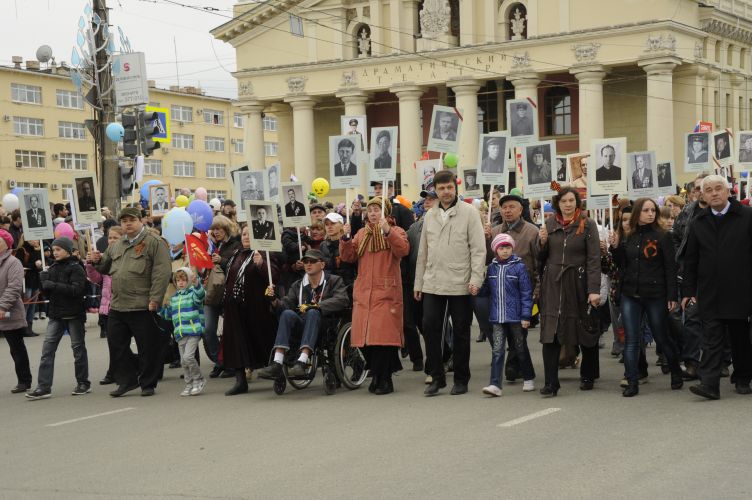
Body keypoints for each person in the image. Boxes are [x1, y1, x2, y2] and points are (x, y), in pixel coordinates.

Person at [415, 170, 486, 396]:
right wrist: (418, 283)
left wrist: (476, 278)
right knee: (430, 327)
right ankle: (437, 377)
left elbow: (478, 249)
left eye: (449, 188)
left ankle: (462, 378)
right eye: (441, 188)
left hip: (461, 281)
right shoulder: (429, 215)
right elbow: (423, 252)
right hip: (433, 281)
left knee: (461, 330)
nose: (446, 192)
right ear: (435, 189)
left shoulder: (469, 212)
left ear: (455, 188)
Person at [88, 207, 172, 397]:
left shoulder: (154, 243)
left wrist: (155, 299)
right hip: (118, 304)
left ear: (141, 221)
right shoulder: (117, 245)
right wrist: (96, 260)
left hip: (142, 303)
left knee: (146, 347)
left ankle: (148, 383)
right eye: (124, 220)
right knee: (116, 345)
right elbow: (105, 267)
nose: (127, 223)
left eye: (131, 220)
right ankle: (127, 380)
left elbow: (162, 272)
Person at [682, 175, 752, 399]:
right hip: (710, 291)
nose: (714, 193)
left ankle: (742, 377)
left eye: (718, 188)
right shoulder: (698, 222)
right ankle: (709, 384)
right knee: (711, 339)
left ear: (728, 190)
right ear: (702, 195)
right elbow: (691, 261)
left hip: (741, 290)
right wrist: (688, 291)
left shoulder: (747, 216)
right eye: (708, 190)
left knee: (740, 339)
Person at [609, 198, 683, 397]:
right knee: (632, 339)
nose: (650, 213)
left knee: (661, 337)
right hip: (630, 294)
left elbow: (670, 267)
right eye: (646, 210)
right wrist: (615, 247)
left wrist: (671, 295)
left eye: (653, 210)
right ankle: (632, 381)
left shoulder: (663, 236)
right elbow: (621, 264)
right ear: (637, 214)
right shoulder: (628, 235)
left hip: (655, 294)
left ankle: (676, 370)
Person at [341, 197, 410, 394]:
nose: (372, 213)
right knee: (364, 340)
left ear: (385, 212)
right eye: (370, 209)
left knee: (383, 340)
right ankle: (377, 373)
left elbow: (403, 250)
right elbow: (349, 257)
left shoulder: (396, 231)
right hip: (364, 291)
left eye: (376, 209)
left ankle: (384, 378)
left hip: (386, 290)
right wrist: (345, 239)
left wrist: (387, 231)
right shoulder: (362, 233)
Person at [538, 187, 601, 396]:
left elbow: (593, 259)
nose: (567, 204)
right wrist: (542, 242)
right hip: (554, 283)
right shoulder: (549, 224)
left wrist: (593, 289)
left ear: (577, 202)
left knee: (583, 327)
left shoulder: (588, 224)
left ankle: (588, 374)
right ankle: (550, 382)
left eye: (571, 200)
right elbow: (541, 257)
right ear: (558, 203)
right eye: (563, 200)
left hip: (578, 281)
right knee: (551, 330)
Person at [257, 249, 350, 380]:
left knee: (312, 312)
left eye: (312, 261)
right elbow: (286, 304)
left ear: (322, 265)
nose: (308, 264)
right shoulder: (298, 284)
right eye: (305, 261)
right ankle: (277, 362)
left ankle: (303, 360)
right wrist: (273, 300)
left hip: (325, 326)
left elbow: (342, 299)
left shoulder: (334, 280)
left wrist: (317, 306)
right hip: (302, 325)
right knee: (287, 314)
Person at [25, 237, 90, 400]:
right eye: (54, 250)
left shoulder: (76, 268)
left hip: (74, 314)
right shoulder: (52, 267)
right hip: (56, 314)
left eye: (58, 250)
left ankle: (83, 382)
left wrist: (52, 285)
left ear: (68, 250)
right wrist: (43, 282)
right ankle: (43, 386)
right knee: (47, 350)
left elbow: (76, 290)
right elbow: (48, 293)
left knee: (78, 349)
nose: (55, 253)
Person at [485, 193, 540, 379]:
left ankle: (514, 364)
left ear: (521, 209)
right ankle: (515, 363)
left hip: (525, 291)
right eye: (504, 207)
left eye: (511, 207)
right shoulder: (494, 231)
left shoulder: (532, 232)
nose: (507, 211)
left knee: (520, 331)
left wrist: (537, 290)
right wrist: (485, 239)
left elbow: (539, 263)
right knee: (505, 330)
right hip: (500, 292)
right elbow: (486, 259)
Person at [221, 225, 278, 395]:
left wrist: (261, 264)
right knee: (236, 344)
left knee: (262, 340)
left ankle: (276, 370)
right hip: (234, 307)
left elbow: (274, 276)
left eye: (250, 234)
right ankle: (240, 381)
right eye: (244, 234)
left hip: (256, 307)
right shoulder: (235, 255)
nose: (246, 237)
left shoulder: (263, 253)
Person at [480, 233, 534, 397]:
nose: (505, 251)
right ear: (496, 250)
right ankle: (495, 384)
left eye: (508, 247)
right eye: (502, 248)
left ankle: (528, 377)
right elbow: (486, 291)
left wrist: (526, 316)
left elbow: (526, 292)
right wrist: (477, 287)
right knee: (497, 350)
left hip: (516, 317)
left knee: (520, 347)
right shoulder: (491, 268)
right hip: (497, 316)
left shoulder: (519, 267)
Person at [204, 216, 241, 378]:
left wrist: (223, 260)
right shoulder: (211, 245)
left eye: (219, 229)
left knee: (229, 331)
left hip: (228, 292)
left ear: (226, 228)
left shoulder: (236, 244)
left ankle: (230, 363)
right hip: (212, 292)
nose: (216, 232)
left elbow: (238, 265)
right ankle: (219, 361)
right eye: (214, 229)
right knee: (208, 329)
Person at [86, 226, 123, 384]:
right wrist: (90, 264)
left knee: (121, 343)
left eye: (116, 237)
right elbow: (96, 278)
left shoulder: (124, 255)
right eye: (110, 237)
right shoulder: (103, 257)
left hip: (124, 305)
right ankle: (114, 371)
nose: (112, 240)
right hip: (108, 307)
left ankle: (121, 370)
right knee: (113, 343)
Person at [161, 267, 206, 396]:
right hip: (180, 333)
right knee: (183, 361)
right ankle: (189, 383)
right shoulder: (174, 298)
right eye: (178, 280)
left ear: (188, 281)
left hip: (193, 330)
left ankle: (199, 379)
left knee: (188, 357)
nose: (181, 282)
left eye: (184, 280)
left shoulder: (193, 293)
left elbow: (201, 296)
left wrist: (197, 284)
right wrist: (158, 308)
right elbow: (168, 315)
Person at [0, 228, 33, 394]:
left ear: (7, 244)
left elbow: (14, 288)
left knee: (16, 348)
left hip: (9, 312)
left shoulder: (13, 263)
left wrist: (2, 307)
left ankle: (24, 380)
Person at [319, 212, 356, 289]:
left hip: (348, 286)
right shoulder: (323, 245)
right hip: (330, 287)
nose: (329, 227)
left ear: (341, 225)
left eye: (333, 223)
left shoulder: (349, 243)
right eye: (327, 224)